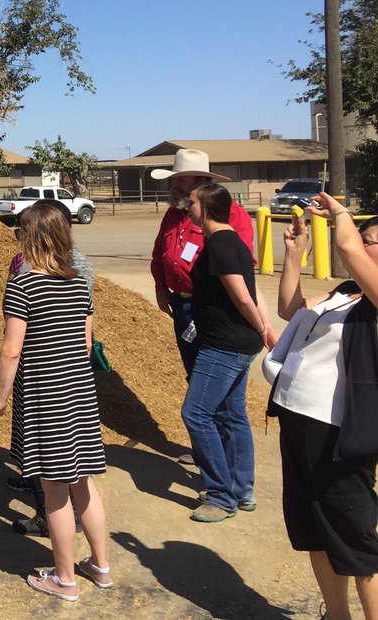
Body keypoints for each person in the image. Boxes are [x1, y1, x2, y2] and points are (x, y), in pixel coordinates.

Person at [0, 200, 110, 602]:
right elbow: (86, 342)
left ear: (31, 237)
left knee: (54, 491)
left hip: (45, 397)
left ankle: (66, 579)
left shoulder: (23, 284)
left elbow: (11, 350)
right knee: (83, 485)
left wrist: (1, 400)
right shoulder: (78, 282)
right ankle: (100, 567)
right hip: (80, 396)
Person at [268, 198, 378, 620]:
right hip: (299, 421)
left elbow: (348, 249)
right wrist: (294, 256)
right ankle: (336, 614)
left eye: (372, 243)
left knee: (354, 538)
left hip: (341, 435)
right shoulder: (346, 292)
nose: (358, 247)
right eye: (363, 240)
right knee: (313, 530)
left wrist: (340, 214)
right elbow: (291, 312)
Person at [181, 182, 276, 523]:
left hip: (224, 345)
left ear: (206, 207)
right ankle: (241, 490)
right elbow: (252, 290)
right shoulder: (231, 239)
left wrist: (264, 329)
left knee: (196, 413)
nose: (187, 205)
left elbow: (242, 296)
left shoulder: (221, 244)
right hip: (234, 342)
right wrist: (261, 328)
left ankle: (221, 496)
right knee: (231, 415)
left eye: (191, 201)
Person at [3, 200, 93, 538]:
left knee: (49, 468)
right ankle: (97, 560)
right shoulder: (77, 275)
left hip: (42, 375)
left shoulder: (29, 276)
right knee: (80, 473)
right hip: (74, 376)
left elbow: (13, 345)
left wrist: (1, 396)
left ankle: (52, 530)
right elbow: (84, 333)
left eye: (23, 230)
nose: (18, 236)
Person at [150, 149, 256, 381]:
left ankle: (209, 417)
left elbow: (242, 264)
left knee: (215, 377)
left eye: (182, 178)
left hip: (214, 308)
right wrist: (161, 288)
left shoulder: (233, 215)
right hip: (182, 305)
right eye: (175, 178)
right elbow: (160, 253)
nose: (175, 183)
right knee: (195, 371)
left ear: (202, 182)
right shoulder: (173, 214)